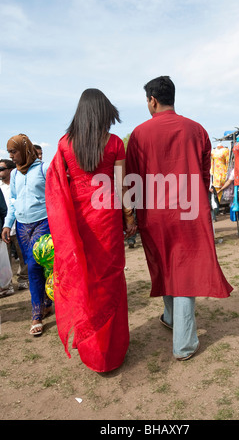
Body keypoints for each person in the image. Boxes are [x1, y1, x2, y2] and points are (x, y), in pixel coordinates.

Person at [126, 76, 233, 361]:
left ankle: (181, 336)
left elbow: (131, 179)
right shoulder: (196, 130)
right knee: (183, 266)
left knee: (166, 264)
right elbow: (205, 173)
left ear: (152, 100)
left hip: (155, 214)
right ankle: (177, 328)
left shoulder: (138, 134)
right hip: (190, 211)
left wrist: (132, 216)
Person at [45, 88, 136, 373]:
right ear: (102, 113)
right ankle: (112, 351)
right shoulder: (113, 145)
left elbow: (57, 187)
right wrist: (130, 217)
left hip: (79, 224)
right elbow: (122, 186)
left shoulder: (64, 145)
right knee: (110, 282)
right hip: (107, 220)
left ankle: (91, 350)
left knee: (86, 280)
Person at [1, 134, 52, 335]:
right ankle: (41, 309)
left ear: (24, 149)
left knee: (38, 266)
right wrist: (7, 224)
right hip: (22, 227)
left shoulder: (43, 168)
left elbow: (55, 195)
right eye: (9, 153)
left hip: (43, 223)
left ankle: (40, 311)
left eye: (14, 152)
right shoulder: (14, 175)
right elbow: (13, 201)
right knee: (33, 267)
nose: (11, 156)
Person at [0, 159, 29, 293]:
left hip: (19, 225)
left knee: (23, 256)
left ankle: (23, 280)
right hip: (4, 227)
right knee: (5, 258)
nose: (0, 172)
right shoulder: (0, 187)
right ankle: (7, 285)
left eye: (1, 169)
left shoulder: (19, 183)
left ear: (10, 170)